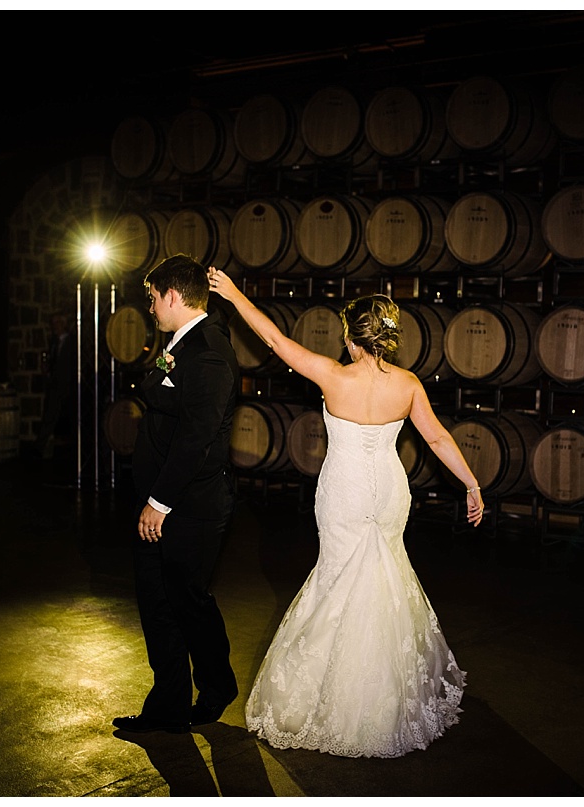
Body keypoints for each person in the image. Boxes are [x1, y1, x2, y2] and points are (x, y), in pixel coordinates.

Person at [208, 266, 484, 759]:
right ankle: (385, 699)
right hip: (389, 495)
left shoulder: (332, 374)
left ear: (351, 338)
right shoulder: (408, 384)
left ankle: (334, 700)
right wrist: (471, 483)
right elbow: (439, 437)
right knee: (385, 580)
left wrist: (231, 294)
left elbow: (272, 338)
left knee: (338, 580)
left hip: (344, 493)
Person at [114, 255, 241, 736]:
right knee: (155, 601)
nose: (149, 307)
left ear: (172, 295)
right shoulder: (180, 344)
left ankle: (216, 684)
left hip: (189, 507)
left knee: (188, 601)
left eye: (152, 298)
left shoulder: (208, 351)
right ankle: (167, 705)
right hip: (160, 501)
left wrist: (159, 502)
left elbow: (197, 438)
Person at [34, 312, 77, 460]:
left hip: (68, 386)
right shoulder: (54, 342)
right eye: (53, 323)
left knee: (69, 418)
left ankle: (72, 450)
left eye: (58, 323)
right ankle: (40, 448)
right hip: (55, 386)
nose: (55, 326)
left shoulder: (72, 342)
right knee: (49, 416)